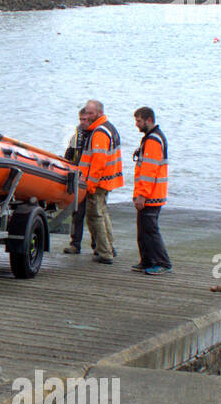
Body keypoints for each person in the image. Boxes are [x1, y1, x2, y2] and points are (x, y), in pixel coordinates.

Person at [78, 100, 123, 264]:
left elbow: (98, 161)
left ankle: (105, 252)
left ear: (98, 113)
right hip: (108, 180)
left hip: (98, 183)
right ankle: (110, 247)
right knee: (103, 213)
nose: (87, 116)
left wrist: (90, 184)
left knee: (95, 216)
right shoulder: (109, 127)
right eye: (86, 113)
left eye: (90, 113)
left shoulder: (99, 132)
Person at [132, 106, 172, 275]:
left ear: (149, 120)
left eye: (139, 121)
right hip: (152, 193)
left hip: (152, 194)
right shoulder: (152, 138)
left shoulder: (153, 140)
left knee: (150, 229)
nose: (136, 125)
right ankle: (147, 260)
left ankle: (163, 262)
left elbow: (149, 171)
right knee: (143, 228)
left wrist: (142, 195)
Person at [62, 107, 91, 254]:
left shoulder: (97, 135)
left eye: (86, 119)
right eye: (81, 119)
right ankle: (75, 244)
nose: (83, 122)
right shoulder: (76, 136)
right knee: (77, 213)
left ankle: (102, 247)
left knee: (95, 215)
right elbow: (68, 158)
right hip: (79, 178)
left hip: (93, 180)